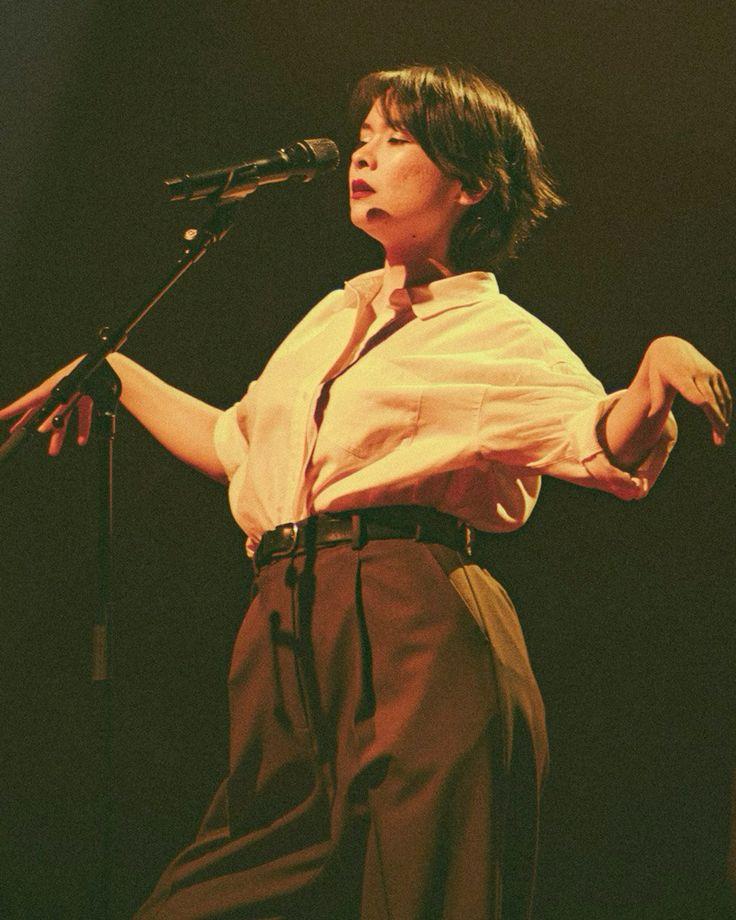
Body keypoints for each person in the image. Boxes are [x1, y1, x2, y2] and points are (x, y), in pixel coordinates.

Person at [1, 64, 731, 920]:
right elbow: (241, 449)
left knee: (428, 896)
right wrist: (115, 372)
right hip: (282, 627)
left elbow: (599, 441)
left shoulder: (496, 332)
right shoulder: (330, 318)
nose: (364, 155)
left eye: (398, 139)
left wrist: (655, 372)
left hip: (415, 622)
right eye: (363, 139)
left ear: (472, 184)